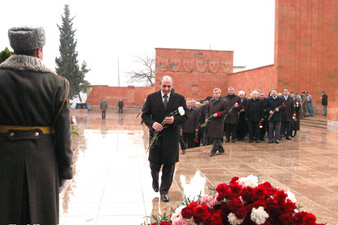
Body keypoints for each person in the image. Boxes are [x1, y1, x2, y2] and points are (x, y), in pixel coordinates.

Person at [0, 26, 73, 225]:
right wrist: (65, 171)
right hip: (43, 164)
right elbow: (64, 133)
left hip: (4, 163)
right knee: (41, 217)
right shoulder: (57, 84)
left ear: (13, 49)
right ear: (39, 51)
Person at [142, 75, 187, 202]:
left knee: (169, 166)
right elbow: (145, 115)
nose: (166, 89)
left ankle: (164, 191)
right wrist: (152, 123)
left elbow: (185, 116)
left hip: (172, 138)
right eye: (164, 86)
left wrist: (174, 120)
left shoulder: (179, 99)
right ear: (160, 85)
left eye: (169, 86)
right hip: (156, 138)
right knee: (154, 164)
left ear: (172, 86)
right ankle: (155, 180)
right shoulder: (152, 98)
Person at [206, 88, 228, 157]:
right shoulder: (211, 101)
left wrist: (219, 114)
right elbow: (207, 111)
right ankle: (221, 149)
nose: (215, 94)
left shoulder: (224, 101)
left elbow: (226, 111)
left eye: (217, 93)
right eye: (214, 93)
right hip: (212, 121)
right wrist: (206, 117)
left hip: (219, 121)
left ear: (220, 93)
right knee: (214, 136)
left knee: (217, 137)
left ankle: (213, 151)